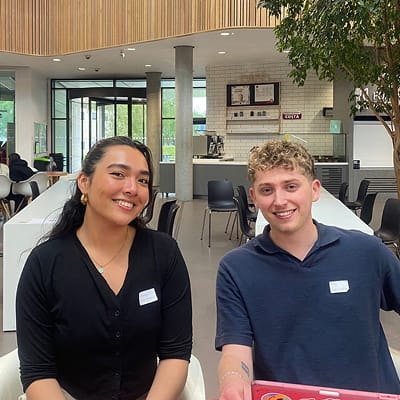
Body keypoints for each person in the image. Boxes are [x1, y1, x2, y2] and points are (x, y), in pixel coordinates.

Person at [215, 139, 400, 400]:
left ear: (314, 190)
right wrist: (233, 381)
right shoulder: (236, 268)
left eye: (291, 186)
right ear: (254, 197)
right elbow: (235, 351)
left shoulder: (366, 252)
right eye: (267, 190)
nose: (280, 200)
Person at [16, 136, 192, 400]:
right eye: (118, 174)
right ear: (84, 182)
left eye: (142, 180)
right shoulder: (45, 263)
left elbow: (176, 352)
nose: (132, 188)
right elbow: (37, 371)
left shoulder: (163, 253)